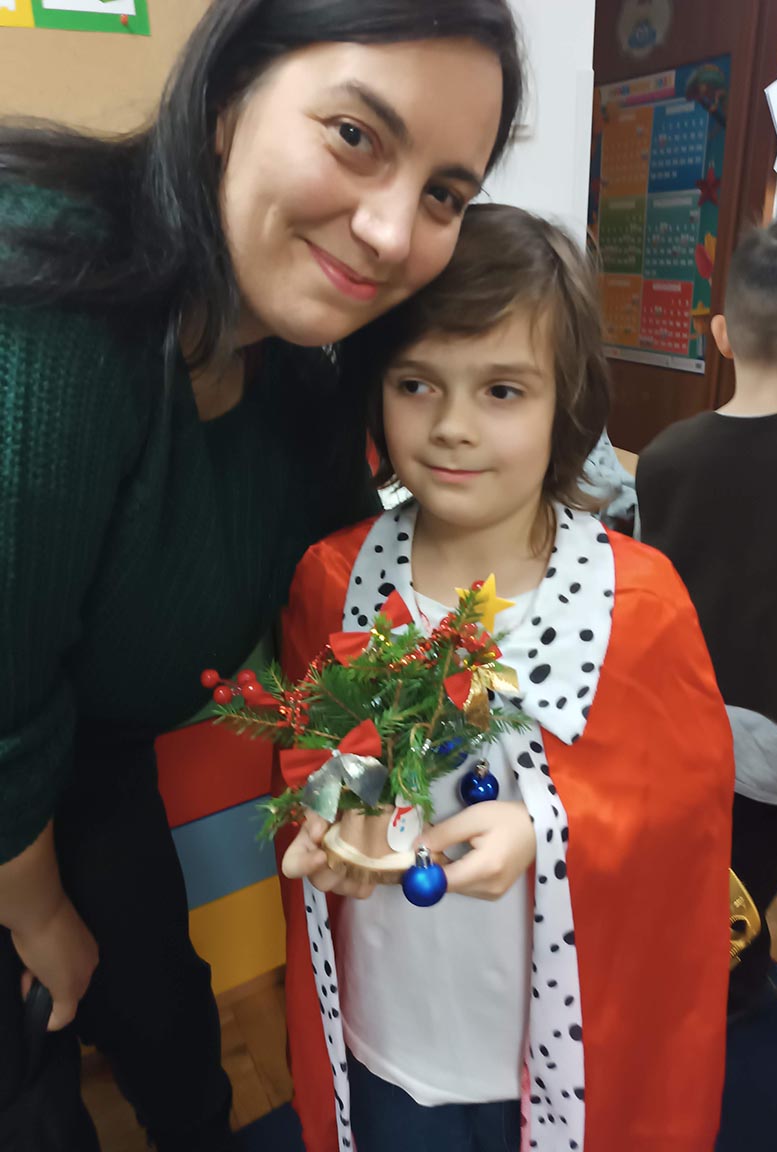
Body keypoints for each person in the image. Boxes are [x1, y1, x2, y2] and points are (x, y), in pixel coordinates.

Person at [0, 2, 523, 1149]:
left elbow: (358, 630)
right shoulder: (47, 297)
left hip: (90, 756)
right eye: (355, 134)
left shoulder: (298, 383)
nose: (391, 232)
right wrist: (36, 914)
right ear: (229, 97)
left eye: (445, 192)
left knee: (170, 1024)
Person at [277, 204, 733, 1152]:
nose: (452, 427)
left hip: (565, 1049)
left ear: (567, 402)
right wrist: (329, 820)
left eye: (502, 390)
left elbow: (685, 817)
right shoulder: (335, 578)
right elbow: (316, 756)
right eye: (416, 384)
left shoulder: (639, 602)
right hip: (389, 1029)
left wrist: (545, 830)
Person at [637, 217, 777, 1019]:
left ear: (722, 334)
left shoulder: (664, 454)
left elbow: (645, 590)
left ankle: (665, 967)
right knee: (751, 870)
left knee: (673, 851)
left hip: (672, 714)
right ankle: (732, 984)